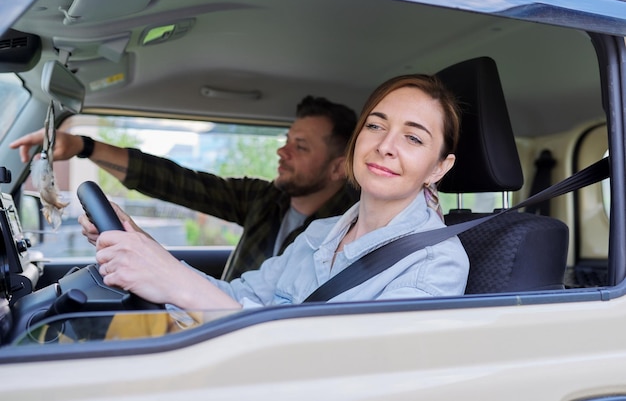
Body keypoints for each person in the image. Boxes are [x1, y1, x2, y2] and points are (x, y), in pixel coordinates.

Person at [87, 73, 470, 310]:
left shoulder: (435, 263)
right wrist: (147, 251)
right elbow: (238, 296)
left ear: (439, 168)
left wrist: (178, 283)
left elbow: (345, 370)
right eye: (375, 126)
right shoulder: (321, 233)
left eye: (413, 138)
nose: (386, 145)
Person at [10, 96, 359, 280]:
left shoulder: (353, 228)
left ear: (338, 168)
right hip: (219, 325)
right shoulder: (266, 199)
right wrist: (84, 147)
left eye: (300, 146)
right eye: (286, 140)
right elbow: (181, 183)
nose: (282, 151)